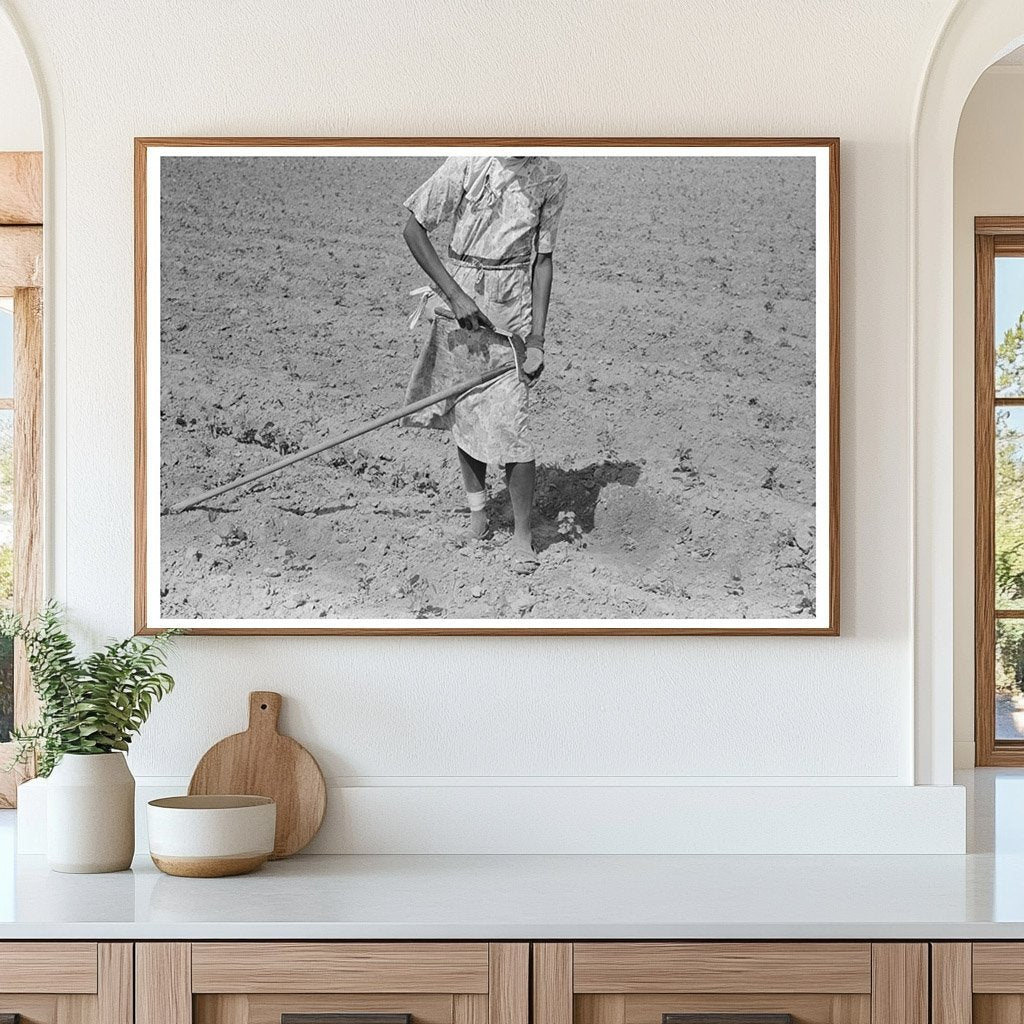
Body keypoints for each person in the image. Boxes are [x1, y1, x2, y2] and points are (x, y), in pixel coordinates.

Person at [402, 155, 568, 574]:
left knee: (513, 423)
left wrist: (538, 339)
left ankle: (522, 536)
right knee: (466, 412)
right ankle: (478, 518)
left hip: (511, 312)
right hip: (459, 304)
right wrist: (456, 296)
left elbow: (542, 261)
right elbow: (413, 227)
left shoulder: (550, 175)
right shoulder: (468, 162)